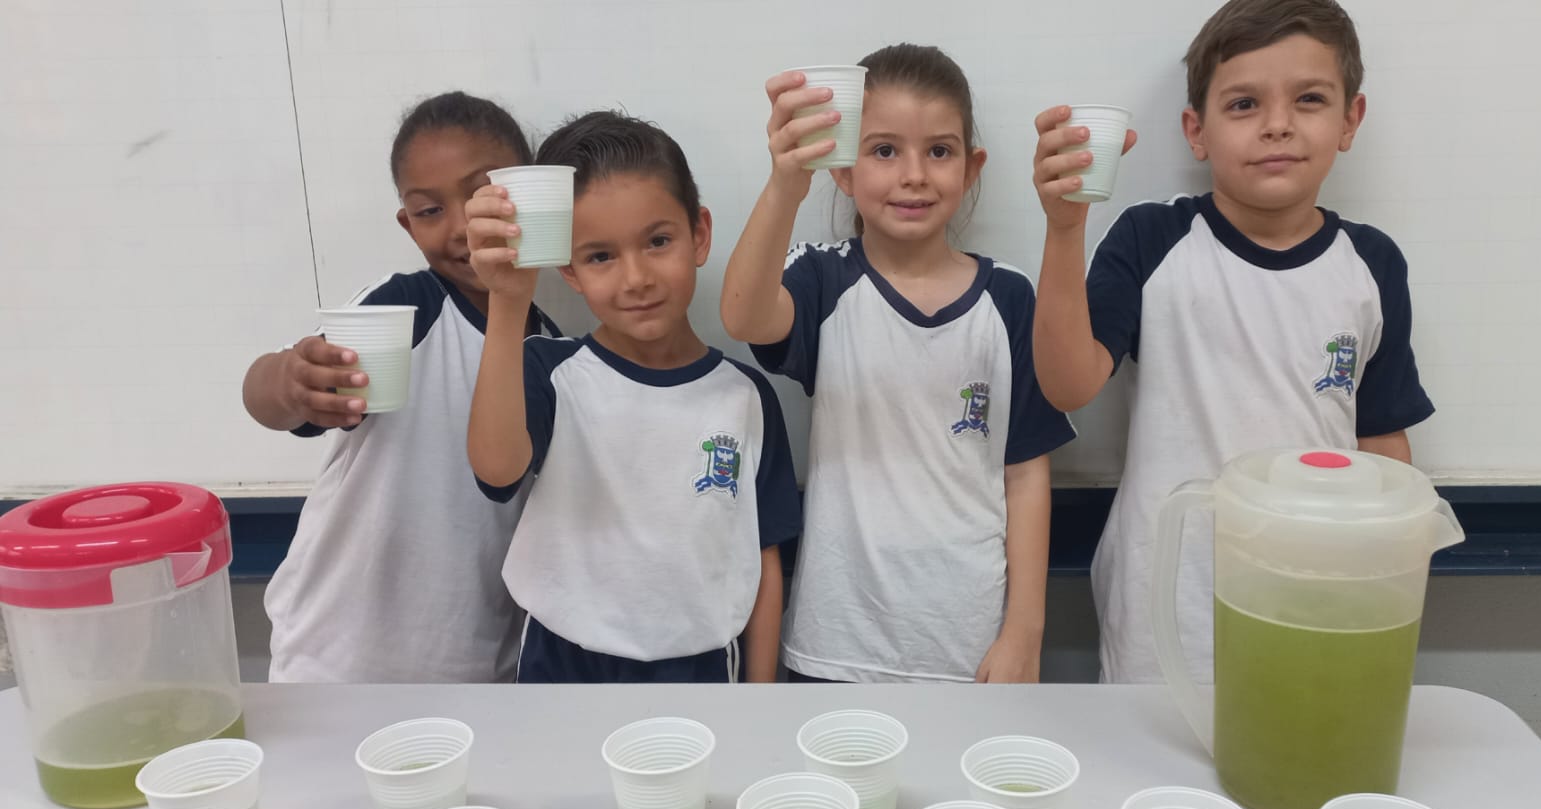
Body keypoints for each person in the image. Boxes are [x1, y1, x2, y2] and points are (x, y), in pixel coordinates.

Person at [1029, 0, 1434, 683]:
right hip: (1166, 600)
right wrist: (1065, 230)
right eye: (1244, 104)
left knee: (1296, 742)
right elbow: (1067, 385)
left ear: (1350, 120)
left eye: (1309, 99)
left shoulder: (1372, 264)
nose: (1277, 124)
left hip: (1315, 590)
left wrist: (1387, 576)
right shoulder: (1151, 238)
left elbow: (1382, 440)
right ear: (1197, 131)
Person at [721, 43, 1076, 684]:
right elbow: (743, 317)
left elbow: (1025, 473)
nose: (914, 175)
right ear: (843, 170)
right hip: (837, 642)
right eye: (884, 150)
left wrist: (1025, 630)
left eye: (939, 151)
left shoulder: (1011, 298)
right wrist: (785, 184)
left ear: (971, 168)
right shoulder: (822, 277)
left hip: (971, 646)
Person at [465, 110, 800, 683]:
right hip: (561, 662)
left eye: (658, 241)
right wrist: (507, 300)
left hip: (699, 668)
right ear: (569, 271)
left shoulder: (745, 397)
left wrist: (761, 694)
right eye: (601, 256)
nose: (637, 278)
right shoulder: (550, 372)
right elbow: (496, 471)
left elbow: (765, 556)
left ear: (699, 234)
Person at [242, 92, 560, 684]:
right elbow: (267, 398)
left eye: (481, 194)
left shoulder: (553, 352)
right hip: (335, 657)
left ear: (532, 192)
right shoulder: (404, 311)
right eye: (429, 210)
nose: (460, 227)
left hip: (478, 667)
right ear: (407, 225)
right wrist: (290, 380)